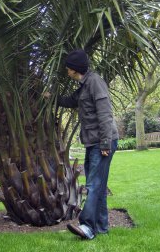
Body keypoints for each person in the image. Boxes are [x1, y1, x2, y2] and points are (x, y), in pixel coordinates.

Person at [57, 49, 119, 240]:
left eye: (68, 68)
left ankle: (87, 226)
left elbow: (105, 114)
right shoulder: (84, 85)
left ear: (75, 69)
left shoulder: (95, 82)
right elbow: (70, 101)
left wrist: (105, 143)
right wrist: (51, 97)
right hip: (93, 142)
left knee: (93, 185)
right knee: (98, 186)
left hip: (102, 142)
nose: (67, 71)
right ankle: (101, 227)